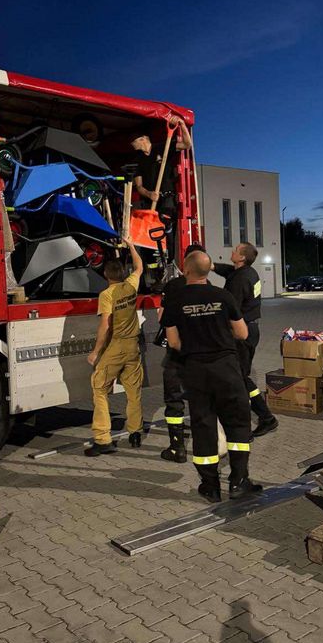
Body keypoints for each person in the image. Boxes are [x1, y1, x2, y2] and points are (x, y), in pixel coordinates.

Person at [162, 250, 262, 502]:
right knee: (238, 423)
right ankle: (239, 481)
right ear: (208, 271)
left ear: (186, 270)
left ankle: (210, 486)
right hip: (227, 369)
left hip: (196, 371)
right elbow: (241, 334)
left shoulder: (175, 301)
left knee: (203, 424)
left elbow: (173, 342)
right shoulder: (223, 295)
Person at [212, 242, 278, 437]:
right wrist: (212, 266)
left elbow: (230, 309)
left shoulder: (239, 281)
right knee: (240, 377)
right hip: (251, 330)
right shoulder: (248, 273)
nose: (231, 252)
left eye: (235, 250)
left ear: (241, 258)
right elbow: (229, 271)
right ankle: (263, 417)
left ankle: (265, 417)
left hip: (241, 333)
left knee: (239, 378)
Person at [86, 237, 144, 456]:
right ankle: (135, 433)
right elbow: (139, 267)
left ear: (105, 276)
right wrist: (131, 245)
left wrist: (95, 352)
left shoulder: (107, 295)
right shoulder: (130, 286)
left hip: (116, 346)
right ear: (121, 274)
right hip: (133, 347)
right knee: (133, 392)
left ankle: (102, 439)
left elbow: (105, 325)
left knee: (99, 387)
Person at [157, 242, 207, 463]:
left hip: (177, 355)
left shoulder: (173, 286)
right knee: (199, 399)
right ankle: (204, 443)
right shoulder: (211, 288)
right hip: (202, 354)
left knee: (174, 401)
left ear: (185, 264)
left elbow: (162, 318)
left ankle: (177, 448)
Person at [131, 116, 192, 265]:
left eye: (134, 141)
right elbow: (138, 186)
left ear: (143, 139)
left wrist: (182, 125)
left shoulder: (162, 147)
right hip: (150, 203)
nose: (132, 144)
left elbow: (186, 144)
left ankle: (169, 261)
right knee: (150, 236)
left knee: (166, 233)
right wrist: (149, 194)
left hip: (167, 200)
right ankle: (152, 266)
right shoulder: (138, 160)